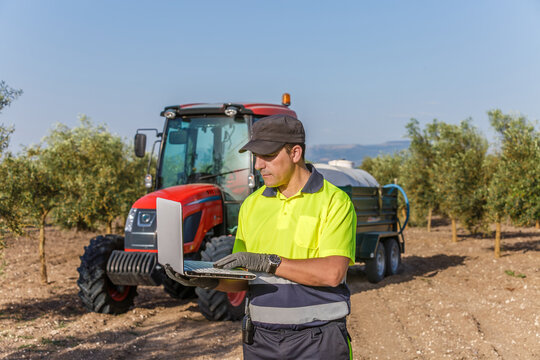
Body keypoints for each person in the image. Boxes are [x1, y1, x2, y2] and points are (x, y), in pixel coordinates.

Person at [166, 114, 356, 360]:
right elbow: (243, 278)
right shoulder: (251, 206)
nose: (258, 165)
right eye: (256, 156)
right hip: (261, 341)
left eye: (267, 156)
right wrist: (205, 280)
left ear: (295, 153)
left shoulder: (334, 202)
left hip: (318, 342)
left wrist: (269, 262)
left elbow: (332, 274)